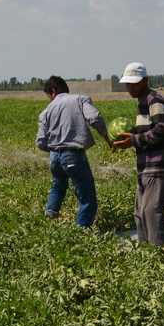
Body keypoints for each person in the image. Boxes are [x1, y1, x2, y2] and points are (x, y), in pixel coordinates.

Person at [112, 62, 164, 246]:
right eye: (128, 84)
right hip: (146, 167)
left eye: (134, 83)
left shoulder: (154, 99)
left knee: (151, 211)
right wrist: (130, 141)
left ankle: (161, 254)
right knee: (139, 212)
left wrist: (134, 140)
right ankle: (145, 252)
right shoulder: (142, 102)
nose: (130, 87)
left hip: (159, 166)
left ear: (146, 80)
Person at [35, 76, 112, 227]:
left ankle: (49, 221)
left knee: (58, 186)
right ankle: (80, 233)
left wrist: (54, 151)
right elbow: (95, 117)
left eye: (49, 96)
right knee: (87, 197)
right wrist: (107, 139)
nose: (50, 99)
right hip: (73, 156)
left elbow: (40, 141)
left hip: (54, 158)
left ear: (53, 91)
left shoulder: (45, 112)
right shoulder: (79, 99)